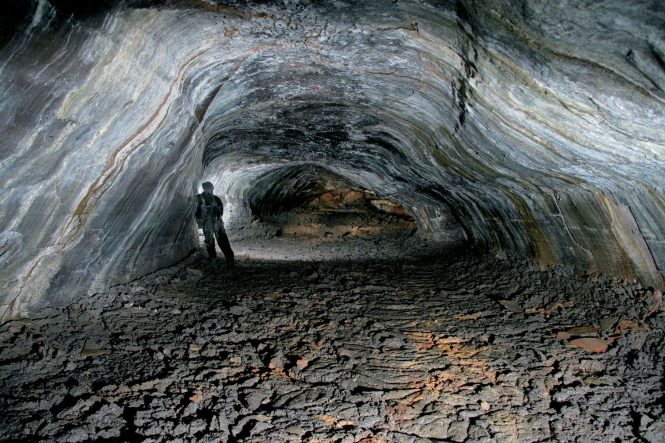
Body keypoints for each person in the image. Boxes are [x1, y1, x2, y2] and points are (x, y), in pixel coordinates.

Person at [195, 182, 235, 266]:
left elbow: (221, 210)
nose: (212, 189)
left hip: (217, 221)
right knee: (209, 239)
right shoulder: (199, 198)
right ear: (206, 188)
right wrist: (200, 219)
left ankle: (229, 257)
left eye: (212, 188)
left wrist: (217, 216)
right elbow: (196, 211)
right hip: (207, 221)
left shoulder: (216, 198)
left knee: (222, 238)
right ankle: (212, 257)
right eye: (211, 188)